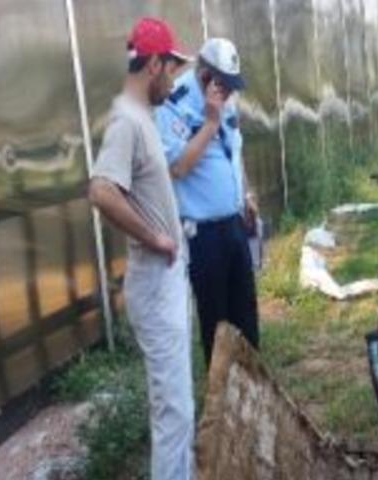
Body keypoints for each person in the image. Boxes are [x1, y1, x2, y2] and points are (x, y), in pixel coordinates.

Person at [87, 18, 194, 480]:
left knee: (179, 405)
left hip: (163, 277)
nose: (174, 78)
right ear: (153, 64)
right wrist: (155, 237)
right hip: (153, 278)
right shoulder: (127, 122)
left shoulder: (142, 118)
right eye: (171, 68)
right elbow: (101, 190)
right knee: (173, 411)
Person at [156, 37, 260, 367]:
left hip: (234, 224)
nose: (229, 92)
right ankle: (221, 401)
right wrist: (210, 122)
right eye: (224, 84)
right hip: (203, 234)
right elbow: (178, 166)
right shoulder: (174, 103)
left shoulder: (225, 98)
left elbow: (234, 151)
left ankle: (254, 391)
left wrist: (246, 193)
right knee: (216, 322)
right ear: (205, 77)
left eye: (232, 85)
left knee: (246, 315)